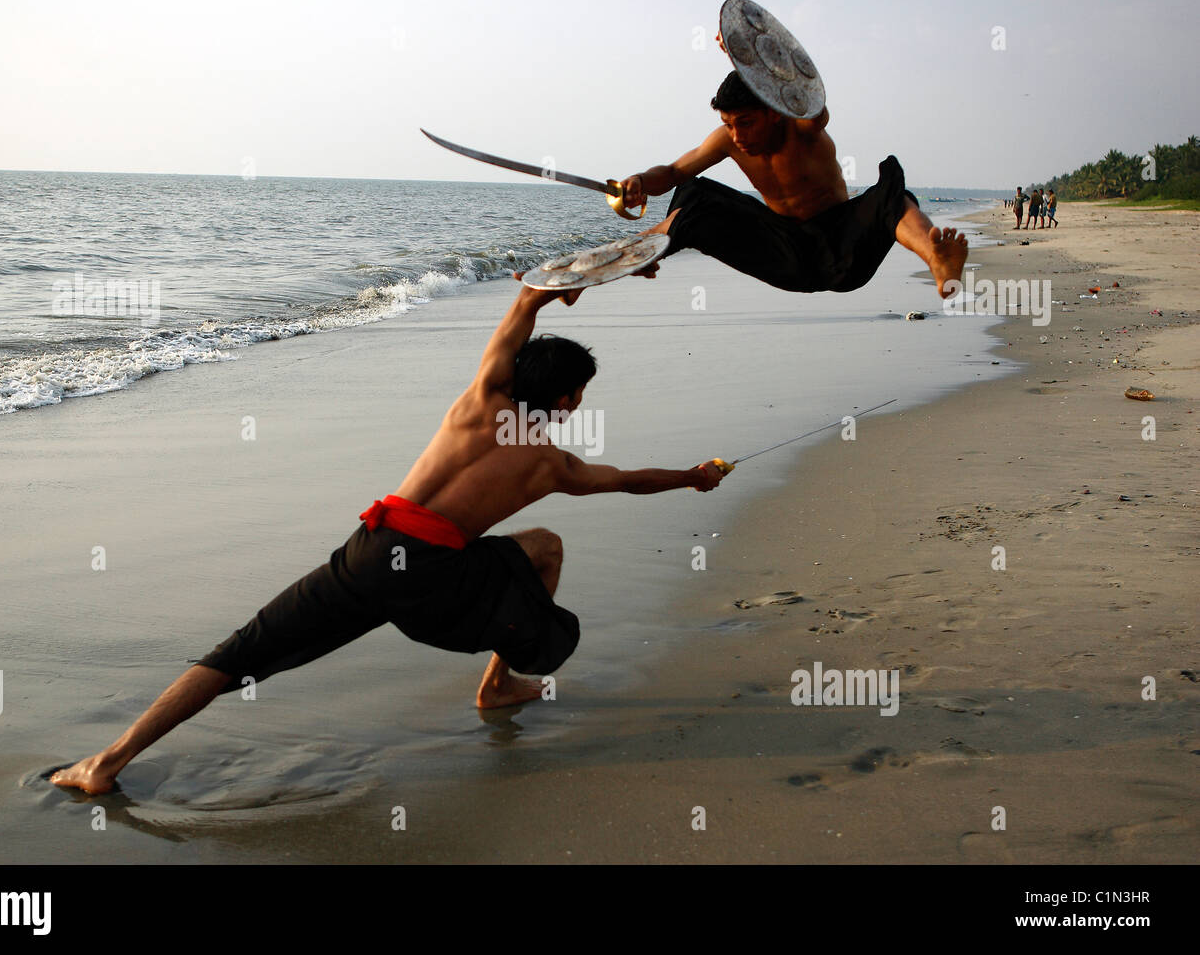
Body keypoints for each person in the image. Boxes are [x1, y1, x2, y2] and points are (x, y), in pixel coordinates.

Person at [50, 266, 727, 795]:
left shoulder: (477, 401)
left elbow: (526, 300)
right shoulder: (552, 465)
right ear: (568, 398)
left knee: (240, 652)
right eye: (581, 392)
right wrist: (694, 476)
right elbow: (630, 480)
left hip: (371, 554)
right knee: (545, 547)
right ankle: (496, 682)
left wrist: (579, 284)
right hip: (439, 585)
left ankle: (106, 761)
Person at [616, 61, 968, 299]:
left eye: (746, 123)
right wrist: (640, 182)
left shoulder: (803, 127)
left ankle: (938, 259)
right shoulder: (727, 140)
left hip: (843, 249)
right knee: (694, 194)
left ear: (772, 112)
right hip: (784, 253)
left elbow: (817, 103)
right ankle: (636, 254)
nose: (736, 135)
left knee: (892, 191)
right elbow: (675, 172)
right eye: (728, 123)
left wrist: (758, 56)